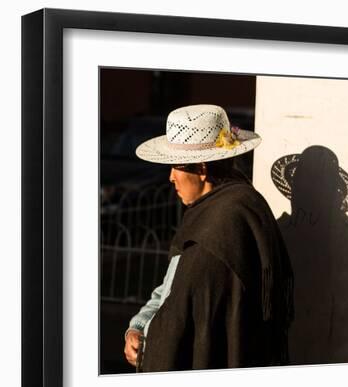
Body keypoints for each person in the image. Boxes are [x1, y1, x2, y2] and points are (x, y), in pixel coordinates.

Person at [124, 104, 294, 372]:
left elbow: (182, 312)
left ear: (202, 169)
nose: (170, 178)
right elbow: (171, 286)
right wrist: (138, 326)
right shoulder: (215, 208)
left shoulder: (224, 223)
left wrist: (148, 342)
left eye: (175, 168)